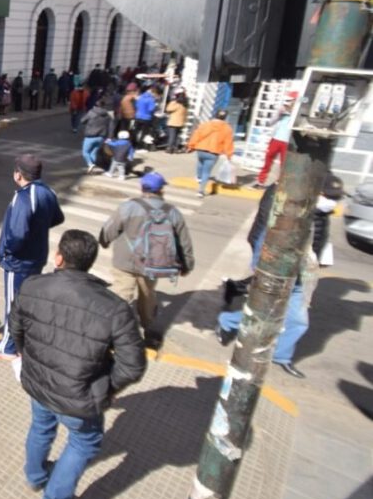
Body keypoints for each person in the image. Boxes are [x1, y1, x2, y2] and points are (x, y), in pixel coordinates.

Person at [12, 229, 147, 499]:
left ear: (58, 257)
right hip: (80, 395)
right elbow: (132, 365)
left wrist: (30, 360)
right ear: (90, 262)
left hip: (38, 381)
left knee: (40, 426)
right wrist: (108, 387)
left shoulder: (33, 285)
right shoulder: (115, 308)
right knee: (84, 443)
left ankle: (35, 476)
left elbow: (16, 329)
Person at [214, 176, 339, 378]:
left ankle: (281, 356)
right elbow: (264, 232)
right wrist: (260, 268)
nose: (332, 202)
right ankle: (228, 321)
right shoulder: (289, 209)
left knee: (297, 321)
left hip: (300, 273)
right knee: (264, 313)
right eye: (328, 197)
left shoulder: (319, 213)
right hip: (278, 271)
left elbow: (319, 238)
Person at [99, 172, 195, 348]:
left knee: (121, 295)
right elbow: (183, 241)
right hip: (152, 264)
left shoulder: (128, 207)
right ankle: (149, 331)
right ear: (161, 190)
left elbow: (110, 228)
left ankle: (115, 333)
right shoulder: (171, 212)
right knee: (148, 296)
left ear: (142, 188)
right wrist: (187, 264)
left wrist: (104, 241)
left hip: (124, 261)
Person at [0, 153, 65, 359]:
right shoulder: (47, 191)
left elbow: (17, 235)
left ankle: (8, 347)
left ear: (19, 175)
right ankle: (24, 339)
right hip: (37, 257)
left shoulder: (23, 197)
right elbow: (58, 217)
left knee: (13, 306)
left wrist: (7, 251)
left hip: (18, 263)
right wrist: (38, 228)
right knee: (27, 302)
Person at [187, 110, 235, 198]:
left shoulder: (205, 124)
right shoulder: (227, 128)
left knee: (200, 163)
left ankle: (198, 177)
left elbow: (196, 135)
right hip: (214, 151)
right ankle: (200, 191)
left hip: (201, 149)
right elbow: (228, 142)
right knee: (207, 172)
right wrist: (229, 155)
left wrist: (191, 146)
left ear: (215, 115)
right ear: (225, 117)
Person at [254, 101, 294, 188]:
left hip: (287, 142)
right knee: (268, 160)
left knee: (284, 165)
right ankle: (260, 181)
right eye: (285, 105)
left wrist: (292, 113)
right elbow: (270, 123)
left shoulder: (295, 116)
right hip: (275, 139)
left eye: (288, 105)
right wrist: (278, 113)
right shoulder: (282, 115)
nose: (286, 107)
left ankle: (280, 184)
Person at [80, 99, 114, 174]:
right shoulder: (108, 115)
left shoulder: (91, 113)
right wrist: (109, 138)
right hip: (101, 137)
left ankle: (90, 164)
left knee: (85, 152)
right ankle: (91, 167)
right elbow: (111, 127)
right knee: (93, 152)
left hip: (90, 136)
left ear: (95, 105)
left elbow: (82, 121)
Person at [133, 85, 158, 151]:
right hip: (146, 118)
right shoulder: (151, 99)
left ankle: (133, 143)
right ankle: (140, 146)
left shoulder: (140, 97)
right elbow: (151, 109)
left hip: (138, 116)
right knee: (144, 132)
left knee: (136, 131)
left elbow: (136, 105)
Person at [164, 88, 188, 153]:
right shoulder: (185, 104)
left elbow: (168, 109)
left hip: (173, 122)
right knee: (177, 136)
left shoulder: (176, 103)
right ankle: (176, 148)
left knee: (172, 136)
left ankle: (169, 148)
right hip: (181, 123)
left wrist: (172, 102)